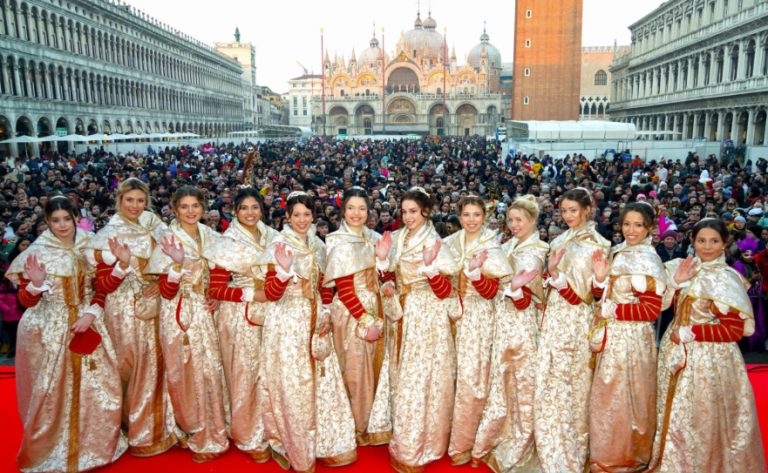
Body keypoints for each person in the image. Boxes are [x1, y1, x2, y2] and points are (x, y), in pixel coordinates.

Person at [7, 196, 127, 472]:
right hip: (48, 328)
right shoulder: (37, 253)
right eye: (55, 220)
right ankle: (54, 448)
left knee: (99, 386)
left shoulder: (91, 244)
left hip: (88, 321)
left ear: (76, 217)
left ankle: (94, 446)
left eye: (67, 218)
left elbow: (102, 286)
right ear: (47, 222)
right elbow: (25, 301)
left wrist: (92, 313)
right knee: (52, 393)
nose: (62, 225)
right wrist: (36, 285)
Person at [648, 219, 766, 472]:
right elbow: (660, 307)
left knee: (702, 418)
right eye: (701, 241)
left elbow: (734, 330)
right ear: (693, 242)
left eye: (714, 241)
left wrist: (691, 332)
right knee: (678, 415)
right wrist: (676, 283)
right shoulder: (687, 268)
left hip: (710, 361)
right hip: (677, 353)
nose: (707, 246)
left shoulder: (726, 279)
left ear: (725, 243)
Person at [256, 191, 357, 472]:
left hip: (315, 320)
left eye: (307, 214)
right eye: (296, 215)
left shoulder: (318, 244)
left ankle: (324, 442)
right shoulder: (278, 244)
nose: (302, 220)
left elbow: (325, 285)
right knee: (294, 385)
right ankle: (298, 448)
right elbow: (270, 293)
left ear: (314, 216)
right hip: (286, 322)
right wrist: (284, 272)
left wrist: (325, 309)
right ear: (287, 217)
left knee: (321, 380)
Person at [86, 177, 177, 457]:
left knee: (154, 365)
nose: (135, 206)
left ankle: (149, 429)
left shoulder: (153, 224)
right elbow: (101, 284)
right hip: (121, 307)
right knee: (127, 365)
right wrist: (123, 267)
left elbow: (172, 256)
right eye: (130, 200)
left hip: (155, 301)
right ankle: (125, 426)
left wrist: (158, 281)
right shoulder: (107, 235)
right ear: (119, 201)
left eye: (140, 200)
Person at [144, 186, 230, 462]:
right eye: (184, 206)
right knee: (184, 373)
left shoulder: (211, 236)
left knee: (211, 371)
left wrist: (216, 296)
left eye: (195, 206)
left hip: (207, 313)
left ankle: (215, 427)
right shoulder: (169, 240)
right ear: (174, 209)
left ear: (203, 208)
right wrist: (177, 266)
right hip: (178, 315)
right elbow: (166, 293)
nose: (191, 211)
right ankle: (191, 427)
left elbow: (220, 277)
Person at [384, 187, 462, 473]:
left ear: (426, 211)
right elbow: (391, 272)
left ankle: (421, 442)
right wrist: (386, 277)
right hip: (404, 311)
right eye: (404, 212)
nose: (408, 217)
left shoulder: (434, 241)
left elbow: (444, 291)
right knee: (405, 374)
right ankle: (405, 434)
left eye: (413, 212)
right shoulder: (401, 237)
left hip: (427, 315)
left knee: (422, 377)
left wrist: (430, 269)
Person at [535, 187, 610, 472]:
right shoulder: (559, 240)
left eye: (573, 210)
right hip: (554, 316)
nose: (567, 216)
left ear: (587, 210)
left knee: (573, 382)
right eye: (564, 211)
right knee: (550, 378)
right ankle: (548, 438)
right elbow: (548, 281)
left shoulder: (598, 245)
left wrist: (556, 277)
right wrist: (549, 276)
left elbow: (587, 296)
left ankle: (572, 446)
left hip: (576, 320)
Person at [588, 202, 666, 472]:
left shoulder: (647, 260)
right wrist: (599, 282)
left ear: (650, 228)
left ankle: (624, 456)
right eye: (626, 224)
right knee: (608, 397)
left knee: (626, 398)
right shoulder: (618, 252)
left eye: (638, 225)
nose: (631, 230)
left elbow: (651, 310)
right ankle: (605, 452)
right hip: (612, 336)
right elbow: (603, 296)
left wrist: (613, 309)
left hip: (632, 340)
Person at [203, 187, 279, 461]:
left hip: (272, 312)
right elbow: (216, 289)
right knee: (245, 374)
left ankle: (272, 428)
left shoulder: (272, 236)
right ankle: (248, 434)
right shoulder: (227, 242)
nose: (250, 213)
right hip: (239, 316)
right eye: (244, 208)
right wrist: (251, 294)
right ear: (235, 211)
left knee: (270, 373)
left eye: (255, 207)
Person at [473, 195, 546, 471]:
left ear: (532, 221)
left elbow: (525, 301)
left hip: (522, 324)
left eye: (519, 220)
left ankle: (522, 440)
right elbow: (494, 288)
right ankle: (500, 435)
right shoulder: (509, 245)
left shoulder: (537, 250)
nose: (513, 225)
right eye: (511, 219)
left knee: (521, 382)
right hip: (502, 320)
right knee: (502, 381)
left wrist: (515, 289)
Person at [443, 195, 512, 465]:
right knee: (449, 375)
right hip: (449, 314)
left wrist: (475, 276)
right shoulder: (449, 243)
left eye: (476, 215)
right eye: (466, 215)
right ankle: (445, 433)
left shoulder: (492, 246)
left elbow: (491, 291)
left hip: (478, 317)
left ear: (485, 216)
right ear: (459, 216)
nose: (471, 220)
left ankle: (465, 442)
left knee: (472, 379)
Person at [324, 187, 394, 445]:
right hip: (352, 312)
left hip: (376, 307)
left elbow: (386, 276)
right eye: (351, 208)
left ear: (369, 212)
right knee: (355, 369)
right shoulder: (337, 240)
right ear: (343, 211)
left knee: (375, 366)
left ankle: (373, 422)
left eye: (362, 209)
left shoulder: (374, 238)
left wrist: (385, 265)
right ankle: (355, 425)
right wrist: (365, 320)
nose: (357, 213)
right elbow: (343, 287)